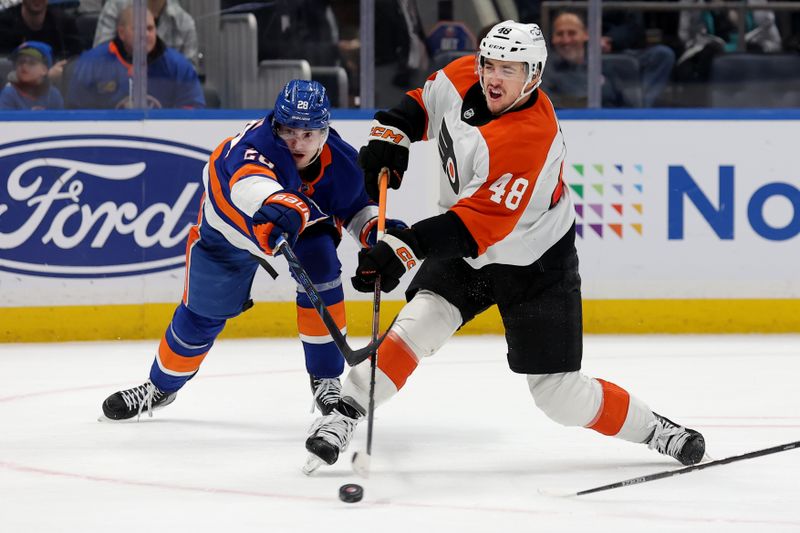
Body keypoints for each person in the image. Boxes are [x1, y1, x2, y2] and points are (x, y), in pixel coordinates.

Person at [303, 20, 707, 472]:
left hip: (533, 262)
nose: (494, 77)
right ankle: (344, 414)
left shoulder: (529, 136)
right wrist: (391, 135)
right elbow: (422, 104)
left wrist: (403, 246)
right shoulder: (461, 77)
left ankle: (656, 430)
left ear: (533, 75)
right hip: (467, 249)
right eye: (489, 64)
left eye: (509, 69)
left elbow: (476, 225)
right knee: (416, 325)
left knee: (559, 395)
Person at [100, 79, 406, 422]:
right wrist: (280, 206)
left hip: (297, 226)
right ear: (276, 125)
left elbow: (355, 209)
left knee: (322, 269)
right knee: (202, 314)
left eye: (308, 134)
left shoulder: (344, 162)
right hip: (229, 228)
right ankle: (160, 386)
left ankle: (325, 380)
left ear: (325, 132)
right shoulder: (256, 144)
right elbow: (249, 185)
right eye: (289, 130)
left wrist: (380, 234)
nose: (297, 142)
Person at [66, 6, 203, 109]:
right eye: (138, 28)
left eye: (150, 28)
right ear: (121, 33)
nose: (145, 34)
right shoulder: (92, 64)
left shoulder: (178, 66)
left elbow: (193, 110)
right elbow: (76, 112)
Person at [542, 11, 633, 108]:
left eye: (572, 33)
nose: (566, 40)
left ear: (586, 34)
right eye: (560, 34)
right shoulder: (544, 72)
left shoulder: (604, 67)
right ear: (553, 38)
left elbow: (626, 106)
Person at [93, 0, 199, 68]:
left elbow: (189, 80)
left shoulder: (184, 23)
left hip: (166, 97)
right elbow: (98, 62)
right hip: (117, 92)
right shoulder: (115, 6)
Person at [0, 0, 82, 84]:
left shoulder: (64, 23)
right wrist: (45, 77)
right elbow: (4, 72)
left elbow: (77, 62)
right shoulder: (4, 24)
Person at [0, 40, 64, 109]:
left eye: (31, 63)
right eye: (20, 62)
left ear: (44, 70)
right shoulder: (9, 94)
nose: (24, 66)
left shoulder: (54, 95)